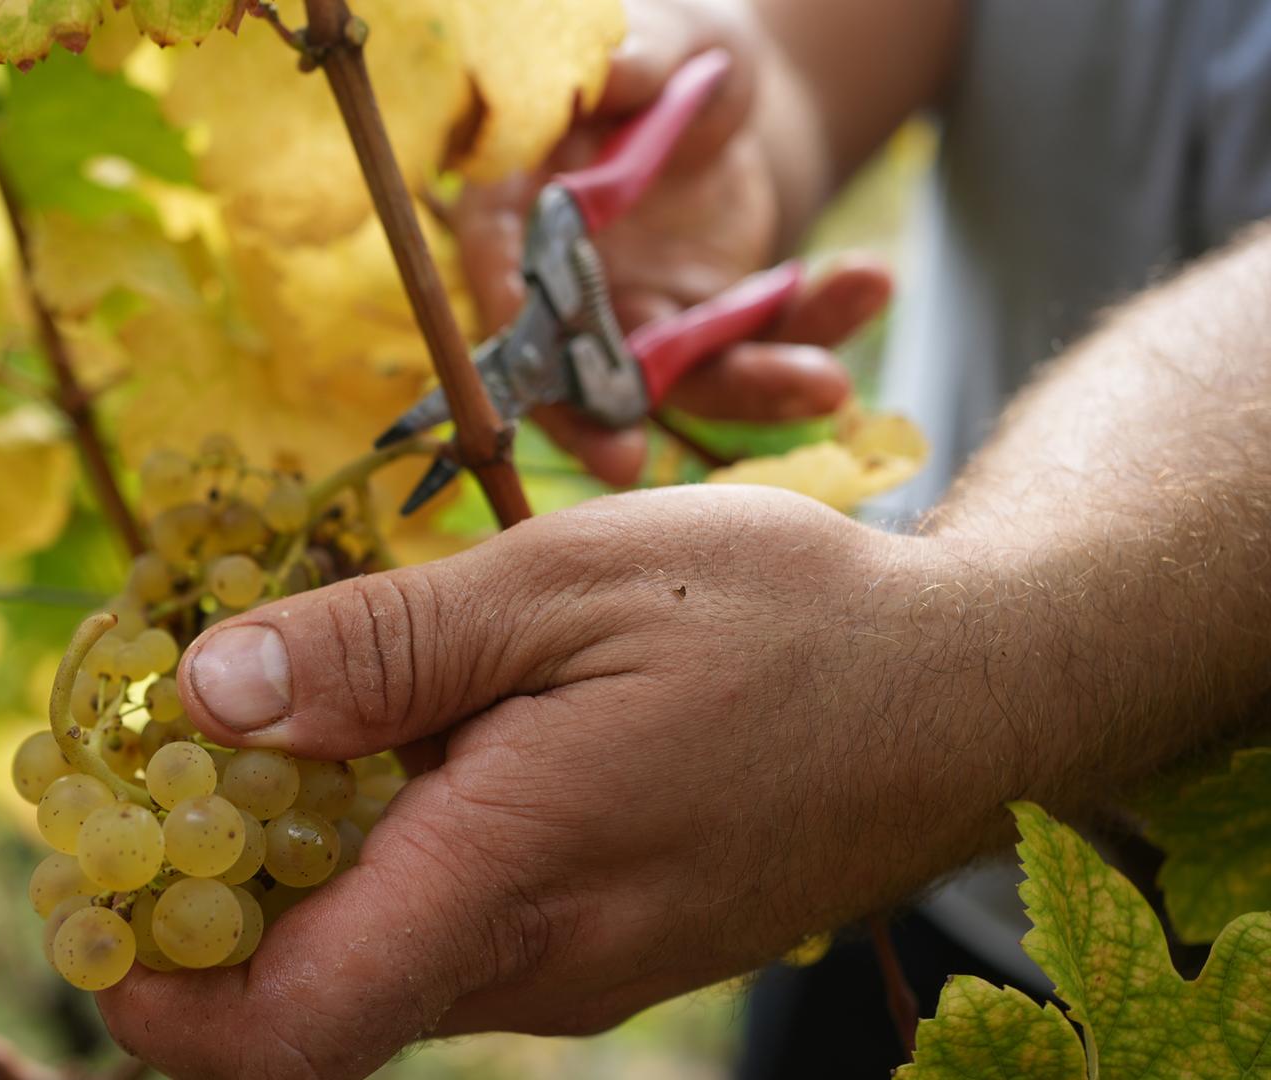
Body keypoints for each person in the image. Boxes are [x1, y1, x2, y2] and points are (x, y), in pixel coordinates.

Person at [98, 1, 1271, 1076]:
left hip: (938, 788)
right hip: (925, 863)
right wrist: (770, 117)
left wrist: (968, 658)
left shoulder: (862, 749)